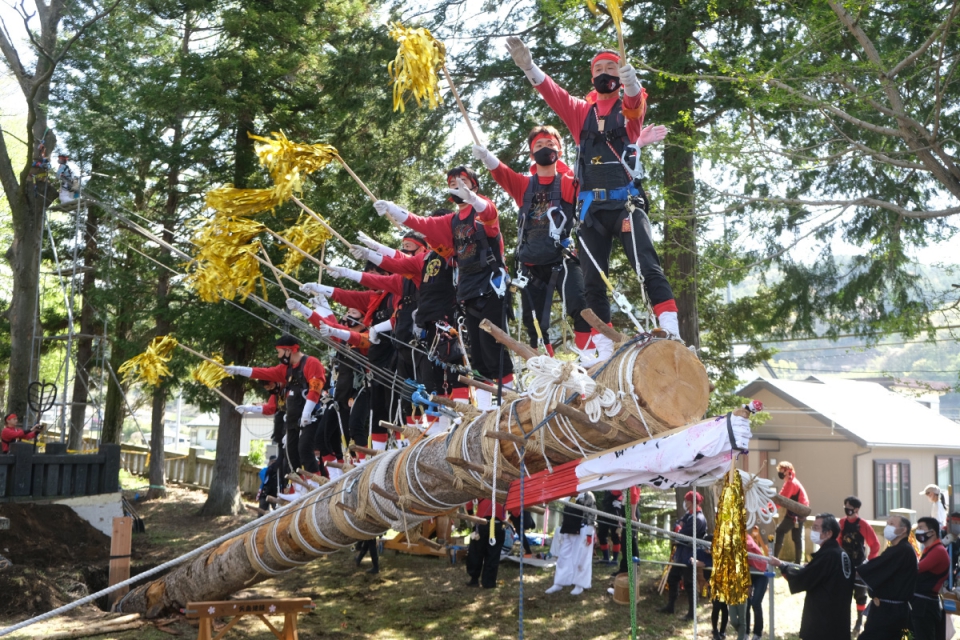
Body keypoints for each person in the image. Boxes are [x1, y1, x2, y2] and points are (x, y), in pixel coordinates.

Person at [504, 36, 679, 360]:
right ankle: (603, 347)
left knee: (647, 265)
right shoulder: (580, 113)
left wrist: (632, 85)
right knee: (593, 281)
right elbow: (553, 94)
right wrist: (529, 67)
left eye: (611, 67)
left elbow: (634, 108)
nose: (604, 72)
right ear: (591, 76)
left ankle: (671, 329)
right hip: (592, 212)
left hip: (625, 206)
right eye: (598, 68)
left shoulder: (628, 113)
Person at [374, 168, 514, 407]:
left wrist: (473, 198)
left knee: (494, 347)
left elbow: (489, 213)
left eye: (463, 181)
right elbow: (422, 223)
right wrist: (393, 209)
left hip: (491, 287)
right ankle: (485, 408)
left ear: (475, 185)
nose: (458, 185)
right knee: (477, 353)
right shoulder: (452, 221)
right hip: (468, 292)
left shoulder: (482, 210)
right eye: (453, 183)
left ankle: (510, 400)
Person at [471, 126, 594, 361]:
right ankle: (545, 366)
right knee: (534, 322)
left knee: (580, 304)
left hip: (563, 259)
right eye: (538, 145)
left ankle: (590, 359)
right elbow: (503, 173)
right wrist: (487, 157)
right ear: (530, 153)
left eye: (549, 144)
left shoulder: (569, 182)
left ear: (559, 150)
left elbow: (591, 180)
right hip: (531, 265)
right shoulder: (524, 186)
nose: (544, 148)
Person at [224, 335, 326, 474]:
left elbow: (315, 388)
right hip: (292, 420)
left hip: (310, 417)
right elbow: (263, 372)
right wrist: (238, 370)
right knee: (291, 455)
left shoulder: (311, 363)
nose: (278, 356)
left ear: (288, 350)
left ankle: (315, 483)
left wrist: (306, 413)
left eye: (279, 352)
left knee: (304, 450)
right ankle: (298, 487)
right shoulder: (285, 369)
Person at [769, 513, 854, 640]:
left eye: (816, 528)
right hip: (839, 619)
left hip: (823, 621)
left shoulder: (828, 555)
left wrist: (782, 566)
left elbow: (804, 579)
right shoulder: (840, 554)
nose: (812, 531)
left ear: (828, 533)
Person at [856, 514, 918, 640]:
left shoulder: (903, 550)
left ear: (903, 529)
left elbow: (877, 567)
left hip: (890, 612)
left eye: (891, 524)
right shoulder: (895, 549)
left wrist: (856, 572)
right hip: (885, 608)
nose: (887, 527)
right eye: (887, 524)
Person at [660, 490, 707, 619]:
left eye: (686, 501)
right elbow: (677, 525)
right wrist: (678, 528)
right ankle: (670, 606)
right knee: (673, 577)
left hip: (690, 554)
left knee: (689, 583)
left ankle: (692, 613)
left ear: (692, 502)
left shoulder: (698, 518)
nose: (685, 503)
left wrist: (679, 530)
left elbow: (683, 535)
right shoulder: (689, 515)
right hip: (681, 553)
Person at [840, 495, 882, 636]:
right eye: (845, 507)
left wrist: (869, 563)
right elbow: (837, 542)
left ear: (856, 509)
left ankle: (858, 622)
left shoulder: (863, 525)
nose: (847, 510)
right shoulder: (841, 523)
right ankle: (844, 622)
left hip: (859, 566)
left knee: (860, 595)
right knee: (843, 594)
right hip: (844, 564)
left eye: (849, 508)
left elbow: (875, 545)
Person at [546, 492, 596, 596]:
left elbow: (592, 514)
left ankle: (580, 585)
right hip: (569, 529)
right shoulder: (569, 495)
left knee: (581, 558)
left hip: (583, 529)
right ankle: (559, 582)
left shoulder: (587, 495)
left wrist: (589, 533)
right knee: (563, 556)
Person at [911, 516, 950, 640]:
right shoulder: (930, 549)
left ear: (932, 532)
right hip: (922, 603)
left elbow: (916, 569)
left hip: (926, 606)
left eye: (921, 528)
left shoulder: (938, 551)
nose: (918, 531)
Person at [465, 497, 506, 588]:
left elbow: (468, 505)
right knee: (493, 554)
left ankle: (474, 579)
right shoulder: (503, 491)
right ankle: (489, 582)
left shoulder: (481, 488)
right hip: (498, 525)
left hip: (481, 524)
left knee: (476, 552)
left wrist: (472, 516)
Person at [774, 461, 809, 562]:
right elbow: (781, 497)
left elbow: (782, 500)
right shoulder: (791, 482)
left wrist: (771, 508)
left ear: (789, 471)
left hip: (795, 514)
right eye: (780, 471)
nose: (781, 473)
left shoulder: (791, 483)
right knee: (796, 537)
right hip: (799, 512)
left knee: (780, 530)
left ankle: (775, 559)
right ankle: (798, 562)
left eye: (783, 471)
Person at [596, 490, 622, 565]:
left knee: (615, 536)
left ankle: (615, 560)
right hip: (605, 511)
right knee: (601, 534)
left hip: (615, 511)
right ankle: (606, 558)